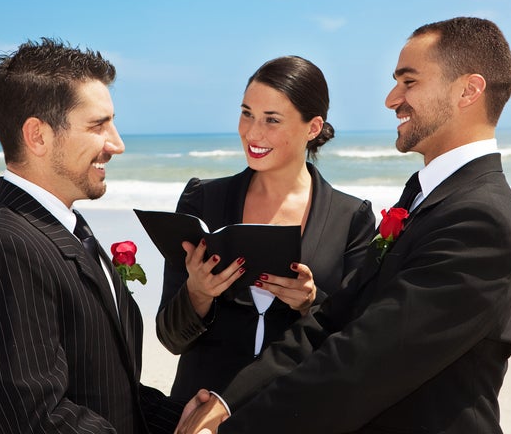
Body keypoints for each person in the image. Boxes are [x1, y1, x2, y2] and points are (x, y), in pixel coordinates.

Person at [177, 16, 511, 433]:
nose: (391, 98)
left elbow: (365, 363)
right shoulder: (423, 198)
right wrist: (228, 400)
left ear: (468, 90)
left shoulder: (479, 219)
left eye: (408, 82)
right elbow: (334, 321)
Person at [0, 38, 180, 433]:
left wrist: (186, 418)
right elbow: (37, 419)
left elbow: (107, 387)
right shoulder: (0, 249)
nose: (116, 144)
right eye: (98, 125)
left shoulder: (70, 228)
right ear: (38, 135)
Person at [156, 55, 376, 401]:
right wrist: (197, 293)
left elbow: (358, 343)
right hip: (196, 411)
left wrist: (311, 302)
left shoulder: (352, 219)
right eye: (247, 114)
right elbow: (170, 338)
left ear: (313, 128)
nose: (252, 132)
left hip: (293, 413)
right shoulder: (203, 199)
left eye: (271, 120)